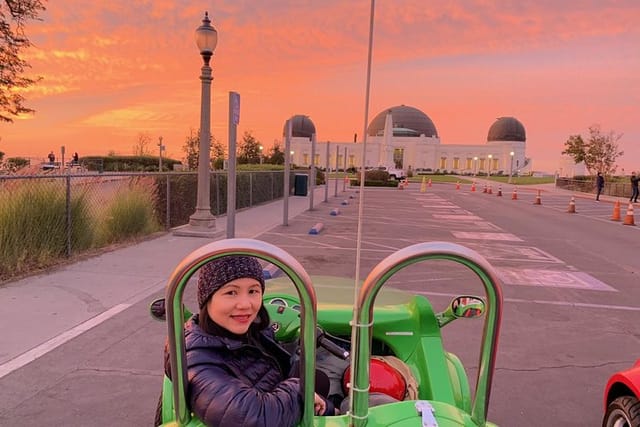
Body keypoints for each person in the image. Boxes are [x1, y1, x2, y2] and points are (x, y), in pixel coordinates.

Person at [164, 255, 333, 427]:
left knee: (318, 378)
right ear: (207, 299)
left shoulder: (252, 331)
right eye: (231, 292)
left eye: (253, 291)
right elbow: (255, 419)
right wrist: (303, 392)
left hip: (277, 399)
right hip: (270, 412)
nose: (245, 304)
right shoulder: (194, 358)